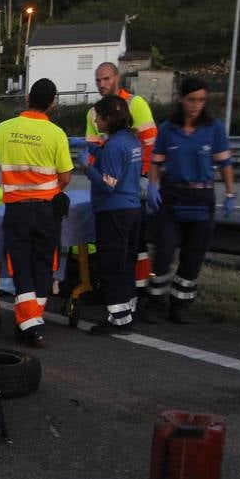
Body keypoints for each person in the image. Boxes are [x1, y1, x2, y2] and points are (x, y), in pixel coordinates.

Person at [0, 78, 73, 348]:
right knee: (43, 263)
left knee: (20, 263)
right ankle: (31, 323)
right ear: (53, 103)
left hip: (17, 210)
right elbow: (65, 177)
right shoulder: (56, 134)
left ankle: (29, 323)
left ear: (28, 97)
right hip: (46, 211)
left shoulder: (5, 129)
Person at [145, 77, 236, 324]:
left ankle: (181, 304)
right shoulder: (168, 129)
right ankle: (155, 301)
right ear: (182, 100)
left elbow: (225, 163)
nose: (196, 105)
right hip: (173, 195)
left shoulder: (213, 128)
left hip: (201, 196)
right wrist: (152, 186)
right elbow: (156, 162)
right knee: (163, 252)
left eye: (201, 100)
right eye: (192, 100)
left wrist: (230, 193)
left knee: (193, 256)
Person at [80, 62, 158, 297]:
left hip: (131, 185)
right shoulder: (94, 112)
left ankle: (137, 292)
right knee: (122, 248)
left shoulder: (136, 104)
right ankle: (126, 294)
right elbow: (93, 148)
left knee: (134, 246)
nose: (101, 84)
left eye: (106, 79)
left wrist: (147, 178)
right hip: (113, 187)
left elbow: (151, 144)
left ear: (117, 78)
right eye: (98, 80)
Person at [83, 95, 144, 335]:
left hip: (113, 210)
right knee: (126, 262)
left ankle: (118, 318)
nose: (95, 121)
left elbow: (108, 183)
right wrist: (97, 152)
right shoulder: (131, 141)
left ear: (109, 118)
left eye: (97, 117)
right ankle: (129, 309)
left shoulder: (115, 146)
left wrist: (87, 169)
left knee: (111, 263)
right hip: (132, 208)